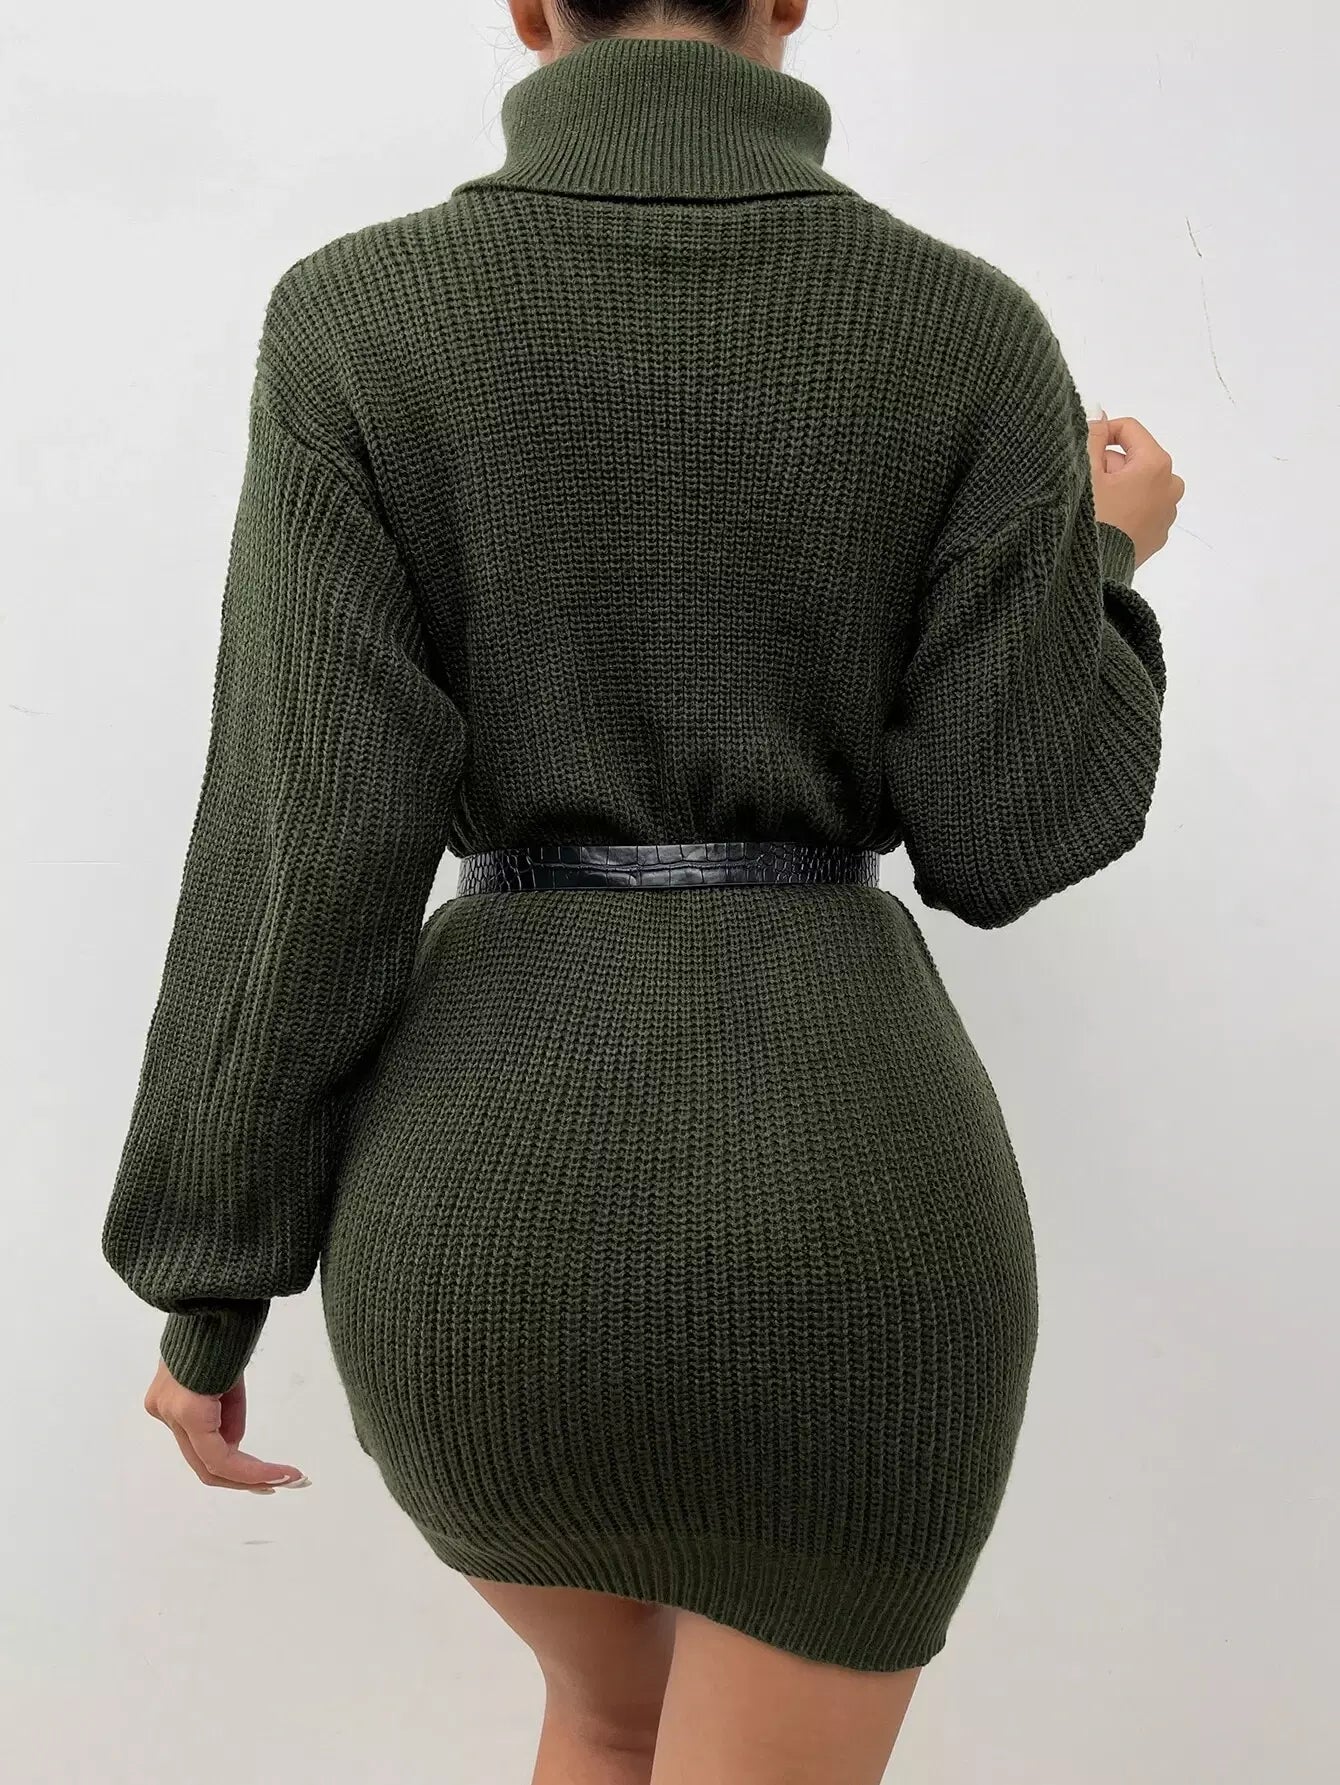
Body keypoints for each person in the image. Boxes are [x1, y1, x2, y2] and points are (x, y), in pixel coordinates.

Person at [100, 1, 1182, 1780]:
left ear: (531, 6)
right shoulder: (965, 328)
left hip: (480, 1239)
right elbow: (1012, 827)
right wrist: (1108, 560)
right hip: (849, 1227)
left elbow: (306, 842)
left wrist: (211, 1282)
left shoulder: (357, 317)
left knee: (605, 1723)